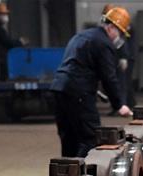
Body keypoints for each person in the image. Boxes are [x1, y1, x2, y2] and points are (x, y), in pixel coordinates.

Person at [50, 6, 133, 157]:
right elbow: (109, 77)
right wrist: (119, 105)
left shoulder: (82, 35)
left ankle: (67, 169)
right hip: (79, 93)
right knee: (91, 138)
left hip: (59, 89)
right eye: (120, 33)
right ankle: (83, 170)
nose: (120, 38)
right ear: (111, 27)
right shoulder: (104, 43)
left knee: (69, 138)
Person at [102, 4, 137, 108]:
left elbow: (121, 41)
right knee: (124, 82)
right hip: (122, 57)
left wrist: (123, 57)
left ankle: (123, 104)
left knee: (123, 82)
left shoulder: (122, 24)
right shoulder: (116, 24)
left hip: (125, 57)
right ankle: (127, 103)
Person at [0, 2, 26, 80]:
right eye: (3, 14)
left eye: (6, 14)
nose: (5, 16)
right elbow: (8, 43)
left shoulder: (0, 29)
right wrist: (20, 42)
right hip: (1, 61)